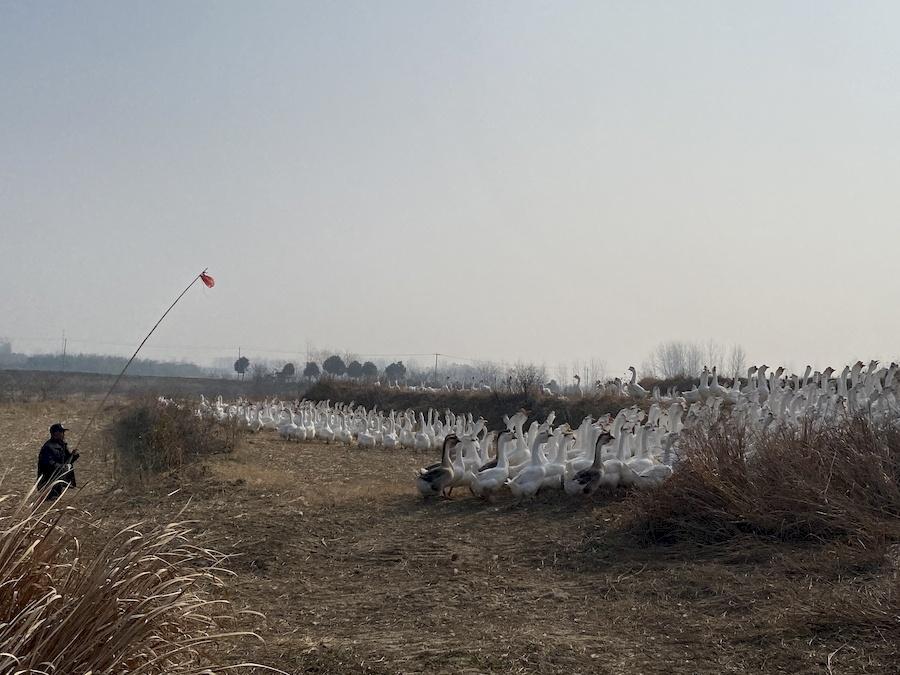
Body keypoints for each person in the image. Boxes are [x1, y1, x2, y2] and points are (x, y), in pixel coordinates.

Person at [37, 423, 79, 501]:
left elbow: (67, 461)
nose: (63, 435)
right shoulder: (48, 447)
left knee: (56, 499)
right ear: (56, 433)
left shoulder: (61, 445)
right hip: (48, 482)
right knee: (50, 501)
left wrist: (73, 456)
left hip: (57, 481)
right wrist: (63, 467)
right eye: (61, 432)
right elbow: (48, 464)